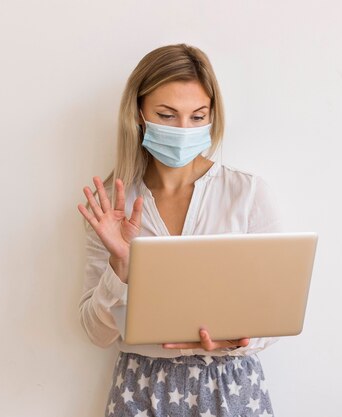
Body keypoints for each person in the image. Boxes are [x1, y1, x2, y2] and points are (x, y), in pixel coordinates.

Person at [77, 43, 281, 417]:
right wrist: (118, 265)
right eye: (167, 115)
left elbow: (278, 315)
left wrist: (239, 339)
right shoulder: (112, 206)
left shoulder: (247, 193)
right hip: (140, 387)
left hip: (232, 388)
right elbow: (97, 332)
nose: (183, 130)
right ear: (139, 114)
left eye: (197, 116)